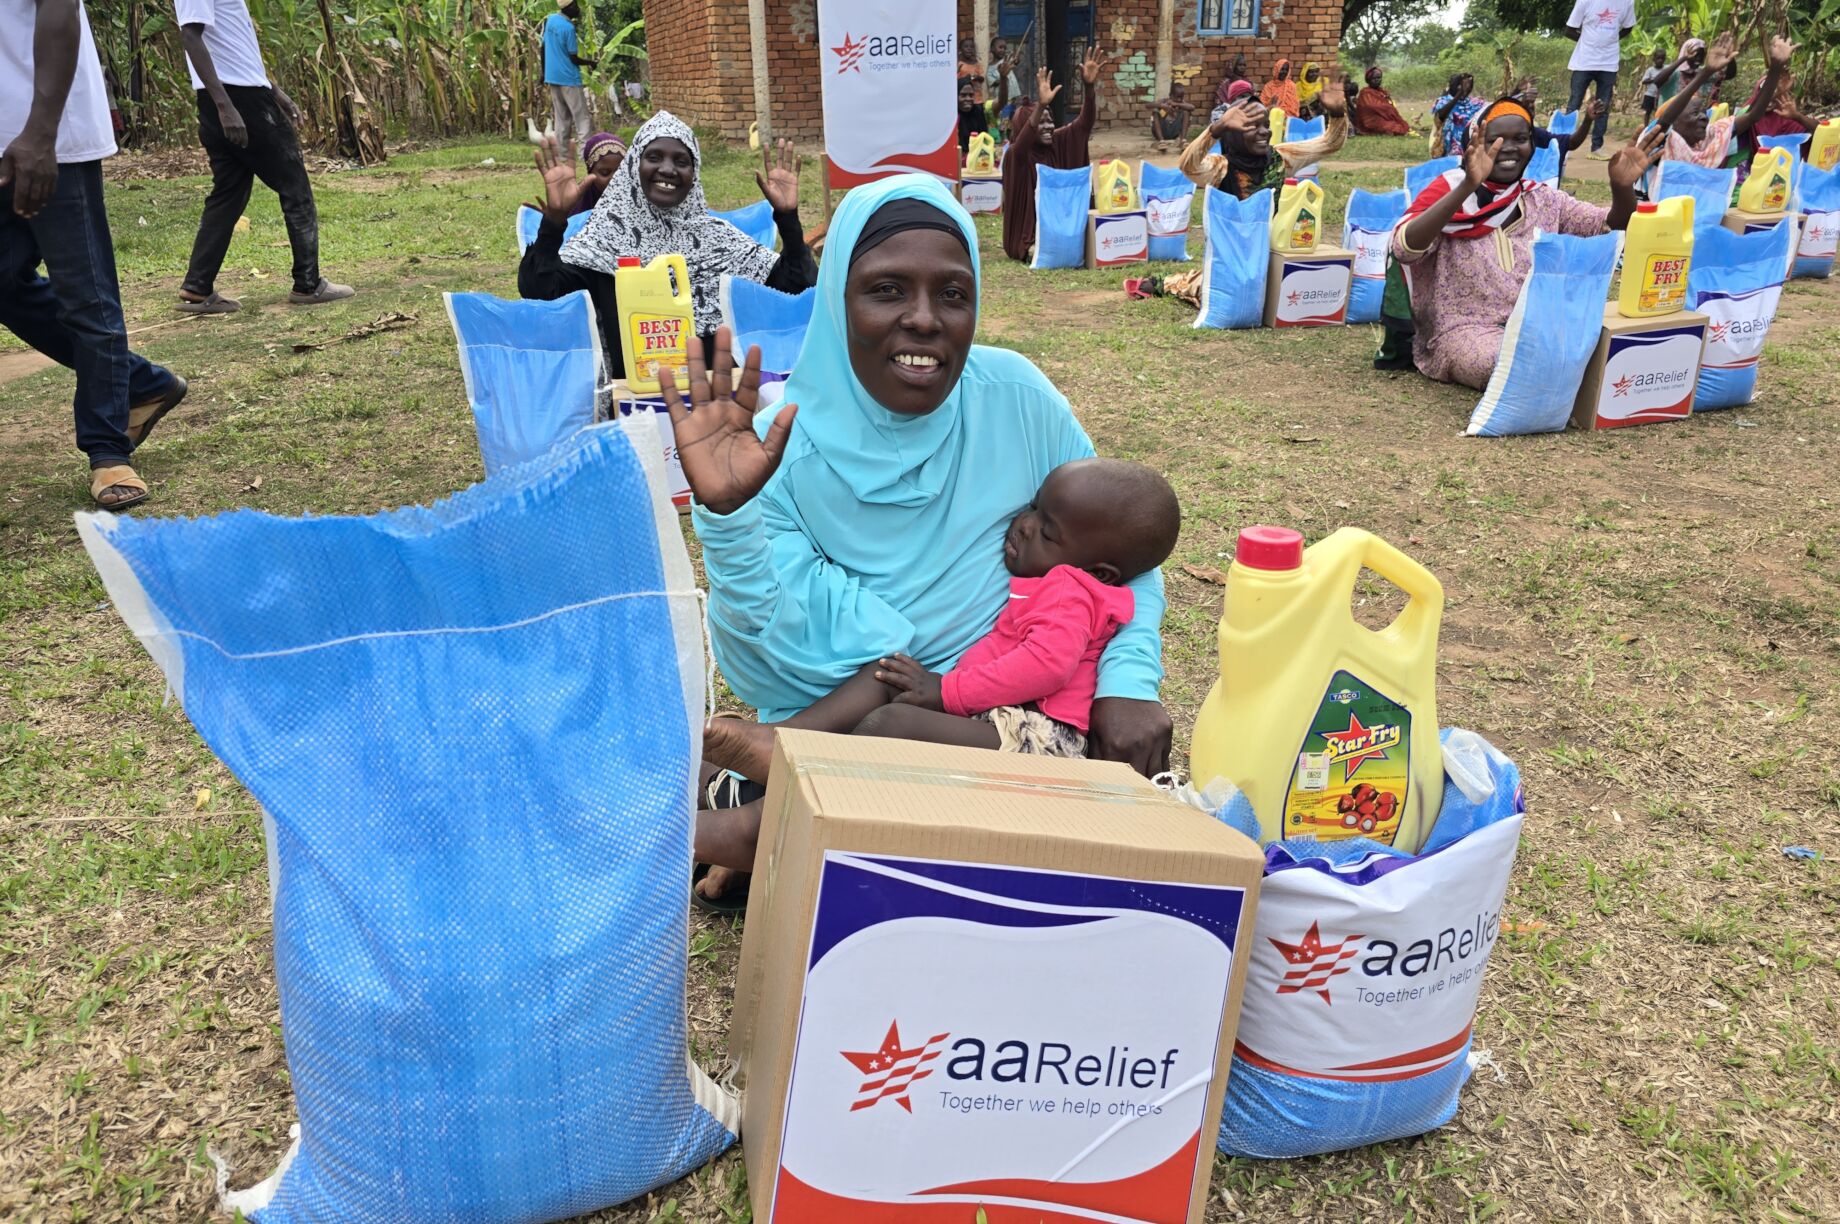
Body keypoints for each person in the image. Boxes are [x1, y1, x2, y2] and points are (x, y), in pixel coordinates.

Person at [660, 174, 1173, 908]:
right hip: (852, 709)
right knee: (877, 723)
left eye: (953, 294)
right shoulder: (773, 443)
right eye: (887, 290)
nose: (926, 319)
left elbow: (1122, 556)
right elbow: (764, 639)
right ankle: (780, 798)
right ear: (837, 299)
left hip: (1000, 716)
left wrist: (1127, 685)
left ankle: (769, 813)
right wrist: (728, 515)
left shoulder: (1017, 401)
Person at [700, 457, 1180, 782]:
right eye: (1033, 506)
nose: (1024, 524)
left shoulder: (1069, 591)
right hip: (1001, 715)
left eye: (1047, 532)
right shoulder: (1058, 581)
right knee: (888, 675)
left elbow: (1046, 666)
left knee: (891, 725)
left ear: (1099, 571)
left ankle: (778, 801)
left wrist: (947, 691)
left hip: (1043, 736)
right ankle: (783, 741)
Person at [2, 0, 188, 510]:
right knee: (5, 283)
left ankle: (108, 451)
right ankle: (144, 382)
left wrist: (42, 134)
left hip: (47, 138)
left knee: (86, 297)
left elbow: (58, 9)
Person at [1387, 98, 1663, 390]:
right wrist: (1468, 186)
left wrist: (1621, 188)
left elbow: (1610, 224)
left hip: (1535, 324)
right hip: (1463, 331)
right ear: (1473, 144)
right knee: (1514, 363)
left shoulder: (1542, 199)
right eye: (1495, 140)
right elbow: (1404, 249)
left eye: (1520, 139)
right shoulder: (1448, 192)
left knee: (1604, 351)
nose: (1509, 148)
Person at [518, 112, 816, 376]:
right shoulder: (605, 238)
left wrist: (788, 218)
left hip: (716, 403)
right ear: (634, 165)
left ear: (694, 175)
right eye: (654, 157)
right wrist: (554, 221)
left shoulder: (718, 240)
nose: (668, 169)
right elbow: (540, 290)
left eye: (682, 161)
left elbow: (799, 286)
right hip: (636, 406)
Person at [173, 0, 352, 313]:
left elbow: (233, 49)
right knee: (295, 188)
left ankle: (198, 286)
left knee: (229, 194)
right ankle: (308, 284)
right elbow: (190, 35)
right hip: (237, 100)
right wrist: (226, 106)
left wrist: (274, 91)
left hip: (235, 96)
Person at [1131, 82, 1349, 307]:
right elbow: (1188, 165)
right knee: (1217, 291)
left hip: (1273, 254)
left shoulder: (1279, 158)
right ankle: (1168, 283)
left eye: (1266, 125)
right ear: (1233, 133)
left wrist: (1337, 113)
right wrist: (1216, 129)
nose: (1264, 132)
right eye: (1253, 127)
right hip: (1234, 260)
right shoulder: (1222, 167)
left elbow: (1329, 144)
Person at [1000, 49, 1110, 262]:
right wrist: (1041, 105)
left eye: (1050, 120)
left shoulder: (1056, 142)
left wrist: (1089, 88)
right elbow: (1023, 141)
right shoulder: (1016, 156)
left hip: (1060, 230)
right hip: (1027, 238)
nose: (1049, 126)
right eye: (1041, 122)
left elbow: (1084, 124)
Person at [1652, 34, 1792, 171]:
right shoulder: (1664, 142)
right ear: (1675, 121)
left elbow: (1752, 116)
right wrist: (1706, 72)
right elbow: (1664, 119)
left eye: (1703, 112)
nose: (1704, 117)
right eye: (1696, 113)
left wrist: (1775, 68)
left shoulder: (1709, 137)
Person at [1562, 0, 1635, 159]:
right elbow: (1569, 30)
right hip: (1584, 61)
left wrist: (1611, 40)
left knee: (1603, 106)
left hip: (1608, 63)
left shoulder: (1627, 2)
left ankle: (1597, 148)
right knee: (1574, 104)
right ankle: (1564, 145)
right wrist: (1589, 41)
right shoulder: (1585, 1)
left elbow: (1628, 27)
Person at [543, 0, 594, 163]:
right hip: (569, 79)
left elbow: (543, 48)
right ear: (568, 7)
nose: (578, 9)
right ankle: (586, 154)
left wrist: (544, 73)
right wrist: (590, 63)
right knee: (582, 118)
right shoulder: (568, 27)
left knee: (561, 119)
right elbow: (573, 58)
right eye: (575, 5)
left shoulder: (550, 20)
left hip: (552, 77)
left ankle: (561, 155)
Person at [572, 130, 623, 214]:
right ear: (590, 172)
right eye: (605, 173)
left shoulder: (638, 201)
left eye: (620, 171)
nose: (614, 179)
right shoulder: (575, 209)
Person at [1352, 65, 1412, 136]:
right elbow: (1372, 106)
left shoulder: (1382, 91)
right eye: (1374, 78)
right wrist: (1388, 108)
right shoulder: (1365, 92)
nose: (1377, 80)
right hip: (1371, 121)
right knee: (1397, 128)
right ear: (1369, 79)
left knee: (1400, 126)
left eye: (1379, 77)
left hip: (1383, 118)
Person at [1432, 73, 1482, 156]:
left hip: (1468, 147)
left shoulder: (1474, 103)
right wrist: (1459, 94)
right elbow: (1440, 117)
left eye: (1469, 86)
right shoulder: (1443, 101)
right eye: (1463, 87)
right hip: (1448, 149)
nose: (1467, 89)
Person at [1150, 80, 1196, 150]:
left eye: (1181, 97)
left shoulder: (1181, 104)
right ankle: (1161, 141)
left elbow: (1192, 107)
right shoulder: (1164, 101)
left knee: (1186, 112)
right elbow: (1148, 105)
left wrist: (1176, 104)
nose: (1179, 99)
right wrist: (1162, 106)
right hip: (1162, 131)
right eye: (1177, 97)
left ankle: (1183, 140)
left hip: (1174, 133)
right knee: (1156, 112)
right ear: (1170, 95)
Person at [987, 36, 1023, 125]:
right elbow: (992, 83)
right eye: (1000, 47)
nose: (1003, 50)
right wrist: (1002, 75)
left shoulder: (1006, 61)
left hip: (1014, 98)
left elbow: (1015, 61)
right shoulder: (989, 68)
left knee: (1014, 122)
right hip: (1003, 100)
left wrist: (1017, 59)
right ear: (992, 49)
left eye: (1004, 48)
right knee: (1004, 123)